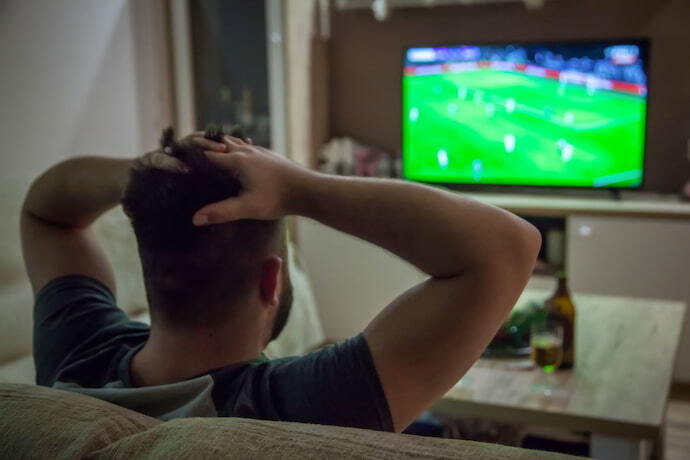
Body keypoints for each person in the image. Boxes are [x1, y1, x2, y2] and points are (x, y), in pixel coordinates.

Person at [21, 128, 540, 432]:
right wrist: (300, 187)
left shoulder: (78, 350)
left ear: (150, 267)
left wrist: (146, 174)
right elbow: (507, 249)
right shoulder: (292, 411)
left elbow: (46, 210)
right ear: (271, 280)